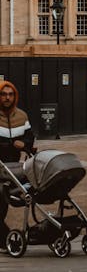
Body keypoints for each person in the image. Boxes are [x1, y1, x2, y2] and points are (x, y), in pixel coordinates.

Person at [0, 81, 34, 246]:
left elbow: (29, 137)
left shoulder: (22, 116)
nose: (7, 97)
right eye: (4, 94)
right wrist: (11, 143)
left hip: (13, 166)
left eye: (10, 94)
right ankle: (5, 240)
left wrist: (25, 145)